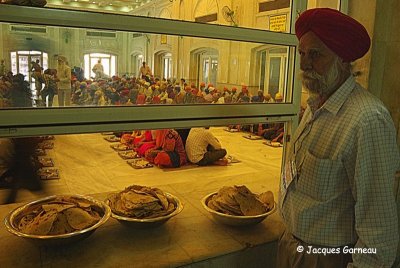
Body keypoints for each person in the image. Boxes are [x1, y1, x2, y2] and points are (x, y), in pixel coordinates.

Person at [277, 8, 399, 268]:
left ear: (343, 59)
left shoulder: (367, 120)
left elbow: (379, 232)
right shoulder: (315, 106)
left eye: (315, 54)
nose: (303, 64)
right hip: (292, 247)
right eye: (301, 53)